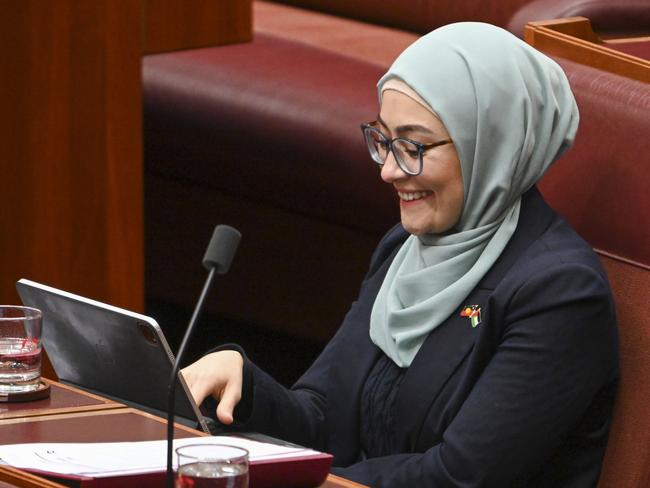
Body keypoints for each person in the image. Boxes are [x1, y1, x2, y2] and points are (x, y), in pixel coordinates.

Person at [182, 22, 618, 487]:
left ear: (491, 143)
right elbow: (324, 418)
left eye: (412, 146)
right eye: (384, 140)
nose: (389, 170)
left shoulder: (561, 294)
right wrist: (246, 384)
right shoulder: (406, 247)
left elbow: (456, 478)